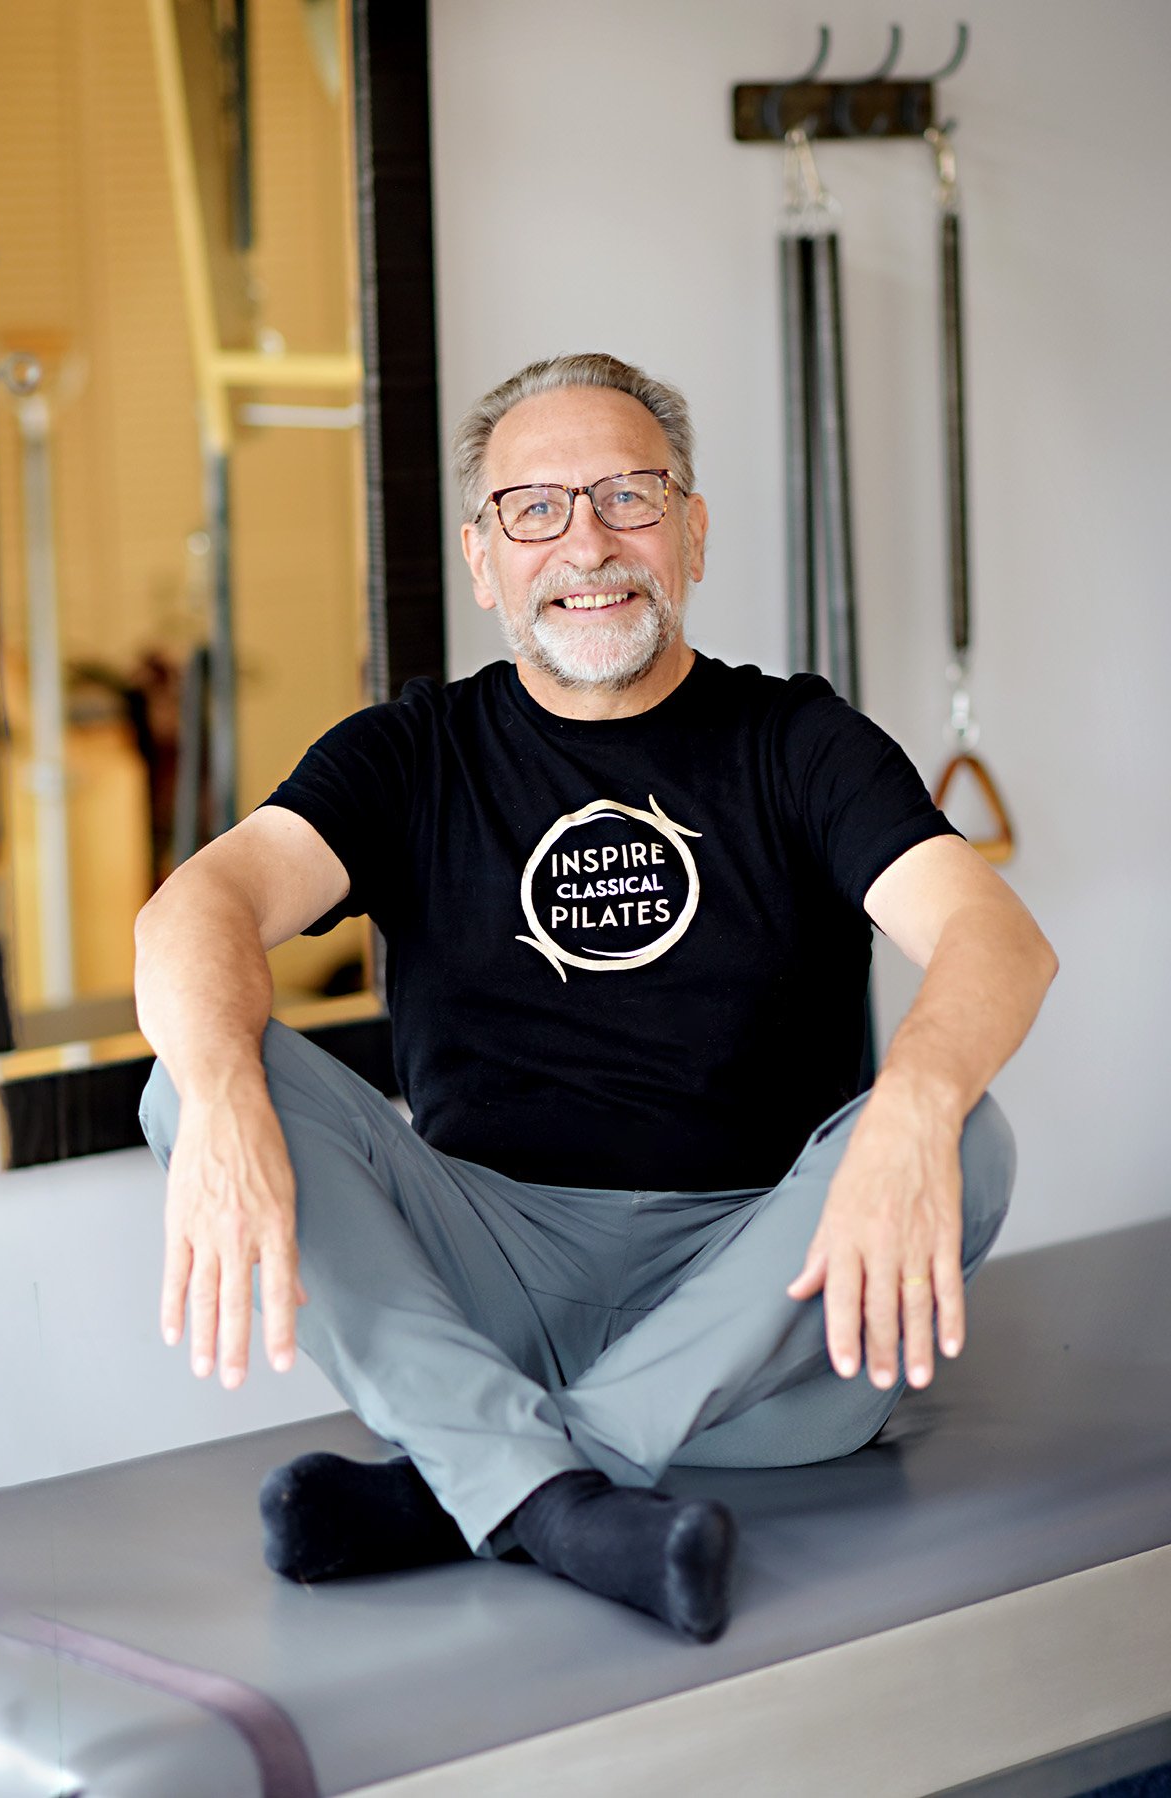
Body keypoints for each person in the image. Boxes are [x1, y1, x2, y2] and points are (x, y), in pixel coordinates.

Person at [136, 353, 1056, 1644]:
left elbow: (993, 935)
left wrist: (912, 1098)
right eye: (537, 508)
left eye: (629, 496)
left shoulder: (798, 740)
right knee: (188, 1071)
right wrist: (229, 1098)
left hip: (765, 1320)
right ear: (481, 555)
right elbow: (196, 909)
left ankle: (491, 1479)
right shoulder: (414, 752)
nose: (588, 543)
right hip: (489, 1283)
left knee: (973, 1132)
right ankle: (563, 1485)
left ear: (690, 529)